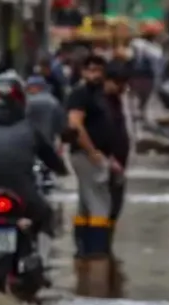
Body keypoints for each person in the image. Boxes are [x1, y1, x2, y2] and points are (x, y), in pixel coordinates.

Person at [0, 72, 68, 290]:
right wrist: (61, 169)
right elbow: (52, 158)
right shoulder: (30, 128)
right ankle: (42, 265)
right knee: (45, 215)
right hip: (23, 196)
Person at [65, 54, 116, 258]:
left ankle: (84, 248)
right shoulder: (80, 93)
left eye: (99, 70)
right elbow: (75, 124)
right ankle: (96, 250)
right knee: (99, 203)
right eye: (91, 70)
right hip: (86, 155)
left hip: (93, 154)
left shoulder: (98, 94)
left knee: (86, 202)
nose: (95, 74)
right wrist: (92, 151)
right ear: (83, 71)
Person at [103, 61, 131, 242]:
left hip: (117, 165)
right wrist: (109, 159)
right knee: (107, 207)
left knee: (114, 206)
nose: (123, 88)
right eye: (120, 83)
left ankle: (106, 245)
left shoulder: (115, 101)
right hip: (106, 164)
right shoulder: (101, 103)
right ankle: (98, 248)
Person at [25, 75, 67, 147]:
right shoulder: (54, 101)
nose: (27, 90)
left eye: (29, 87)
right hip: (49, 144)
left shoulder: (26, 102)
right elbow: (61, 125)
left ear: (37, 87)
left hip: (28, 144)